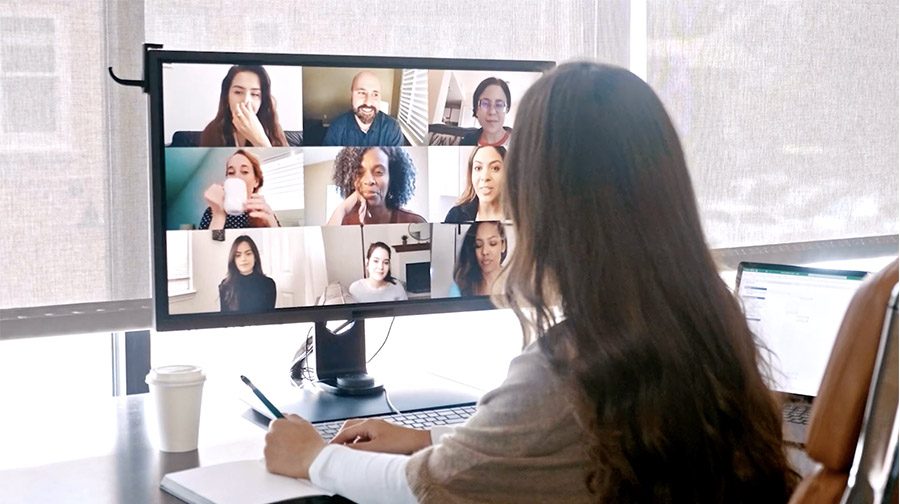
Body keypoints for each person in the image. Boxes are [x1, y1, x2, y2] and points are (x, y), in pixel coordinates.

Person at [264, 62, 797, 503]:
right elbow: (555, 441)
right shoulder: (707, 317)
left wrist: (315, 458)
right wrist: (428, 435)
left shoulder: (570, 366)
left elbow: (430, 485)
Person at [326, 147, 426, 225]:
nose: (369, 181)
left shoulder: (414, 221)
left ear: (391, 177)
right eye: (359, 173)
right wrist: (343, 208)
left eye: (378, 172)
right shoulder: (343, 221)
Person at [199, 65, 290, 148]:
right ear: (227, 96)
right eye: (238, 92)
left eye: (254, 94)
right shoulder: (212, 130)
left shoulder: (272, 127)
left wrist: (260, 140)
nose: (246, 101)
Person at [199, 149, 280, 230]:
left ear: (256, 181)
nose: (236, 177)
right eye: (231, 172)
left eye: (244, 172)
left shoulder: (264, 211)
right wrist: (218, 216)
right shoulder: (212, 211)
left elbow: (280, 241)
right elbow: (210, 242)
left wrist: (273, 225)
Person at [322, 71, 404, 146]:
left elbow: (397, 161)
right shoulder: (336, 127)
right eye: (361, 93)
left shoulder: (393, 128)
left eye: (375, 94)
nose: (368, 103)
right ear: (351, 95)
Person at [444, 146, 506, 223]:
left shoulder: (521, 216)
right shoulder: (456, 216)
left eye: (495, 168)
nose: (485, 177)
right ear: (471, 174)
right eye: (478, 168)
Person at [218, 235, 276, 313]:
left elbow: (269, 318)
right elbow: (224, 319)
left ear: (255, 257)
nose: (243, 259)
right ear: (233, 260)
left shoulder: (268, 284)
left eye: (248, 254)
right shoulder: (225, 285)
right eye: (238, 255)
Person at [447, 221, 507, 297]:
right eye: (478, 245)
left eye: (492, 243)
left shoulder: (519, 283)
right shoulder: (459, 288)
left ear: (503, 246)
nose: (485, 252)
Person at [459, 77, 513, 148]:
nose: (492, 112)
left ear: (507, 109)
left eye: (499, 105)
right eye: (485, 104)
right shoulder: (466, 142)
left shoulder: (522, 144)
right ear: (476, 109)